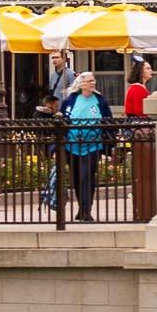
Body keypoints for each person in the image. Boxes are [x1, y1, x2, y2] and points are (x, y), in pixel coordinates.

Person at [61, 70, 111, 222]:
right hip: (72, 145)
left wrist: (110, 144)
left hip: (92, 146)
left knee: (87, 177)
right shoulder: (70, 100)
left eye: (93, 80)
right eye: (89, 81)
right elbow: (62, 120)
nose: (92, 83)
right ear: (81, 83)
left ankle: (86, 210)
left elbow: (109, 120)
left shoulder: (100, 100)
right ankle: (81, 208)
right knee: (76, 178)